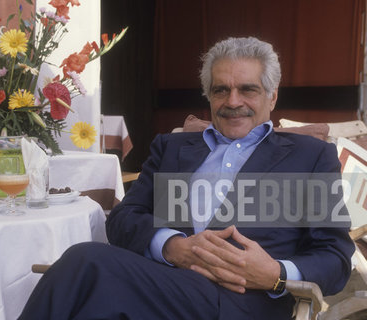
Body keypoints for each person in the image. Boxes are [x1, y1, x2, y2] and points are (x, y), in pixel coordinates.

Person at [18, 37, 355, 320]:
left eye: (247, 90)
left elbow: (335, 257)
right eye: (221, 90)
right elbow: (124, 219)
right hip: (161, 284)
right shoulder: (173, 148)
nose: (233, 102)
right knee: (91, 296)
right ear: (209, 96)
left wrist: (276, 275)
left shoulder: (309, 156)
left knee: (85, 263)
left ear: (272, 96)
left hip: (244, 302)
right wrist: (173, 246)